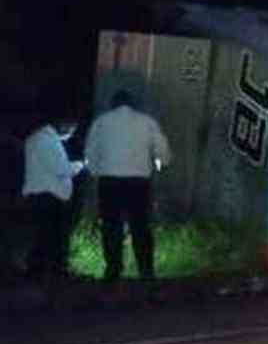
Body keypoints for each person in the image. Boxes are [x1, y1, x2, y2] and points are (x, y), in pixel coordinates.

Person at [84, 91, 171, 282]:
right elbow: (163, 152)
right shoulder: (147, 122)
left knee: (111, 226)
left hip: (110, 181)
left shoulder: (101, 122)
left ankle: (113, 270)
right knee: (140, 226)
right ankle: (146, 271)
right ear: (133, 104)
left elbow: (90, 153)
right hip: (138, 182)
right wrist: (159, 163)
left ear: (113, 104)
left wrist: (96, 172)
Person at [22, 113, 85, 281]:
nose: (71, 133)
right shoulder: (45, 140)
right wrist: (79, 165)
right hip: (47, 196)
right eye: (71, 129)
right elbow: (61, 169)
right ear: (62, 125)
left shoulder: (42, 139)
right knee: (53, 235)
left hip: (43, 195)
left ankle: (40, 270)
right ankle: (51, 270)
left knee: (46, 235)